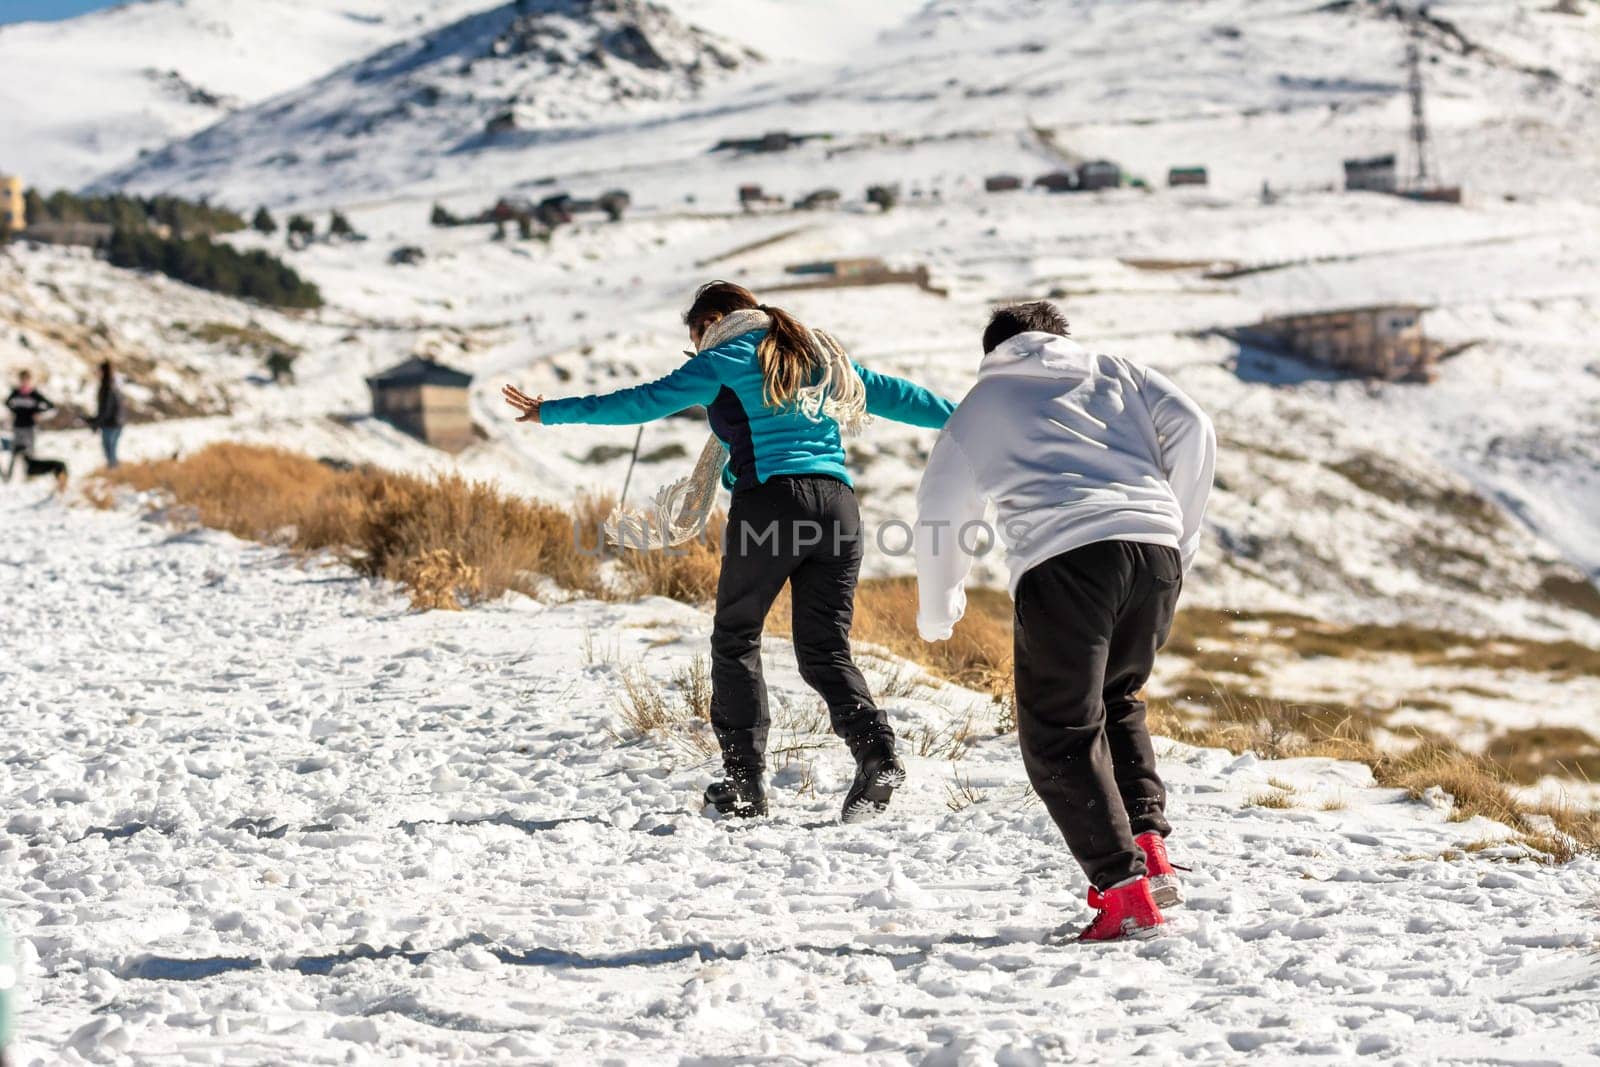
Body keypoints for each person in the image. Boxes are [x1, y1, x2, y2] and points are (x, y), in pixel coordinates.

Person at [503, 281, 955, 822]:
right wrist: (975, 420)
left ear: (711, 321)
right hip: (839, 508)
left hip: (771, 502)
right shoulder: (816, 352)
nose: (696, 350)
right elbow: (903, 397)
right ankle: (877, 755)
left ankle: (745, 787)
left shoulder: (724, 356)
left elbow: (640, 402)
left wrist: (550, 412)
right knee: (824, 647)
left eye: (695, 337)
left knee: (737, 638)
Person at [913, 301, 1215, 941]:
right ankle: (1148, 850)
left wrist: (940, 605)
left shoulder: (984, 401)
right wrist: (1177, 534)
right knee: (1118, 699)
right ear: (1059, 337)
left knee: (1059, 732)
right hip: (1155, 550)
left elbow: (941, 507)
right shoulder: (1119, 371)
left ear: (994, 350)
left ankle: (1124, 891)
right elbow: (1193, 426)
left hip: (1065, 559)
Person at [4, 369, 55, 483]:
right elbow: (7, 403)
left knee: (30, 452)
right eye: (22, 379)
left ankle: (30, 476)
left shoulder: (34, 394)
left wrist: (39, 414)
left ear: (29, 380)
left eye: (26, 379)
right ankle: (8, 476)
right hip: (17, 426)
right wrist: (13, 411)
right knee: (15, 451)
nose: (24, 382)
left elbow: (50, 406)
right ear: (20, 380)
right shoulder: (15, 393)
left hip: (30, 427)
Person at [93, 360, 126, 469]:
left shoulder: (106, 387)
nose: (96, 373)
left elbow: (105, 409)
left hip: (110, 424)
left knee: (110, 452)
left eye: (98, 371)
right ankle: (116, 474)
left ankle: (115, 475)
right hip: (117, 422)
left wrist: (96, 423)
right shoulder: (114, 384)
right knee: (112, 452)